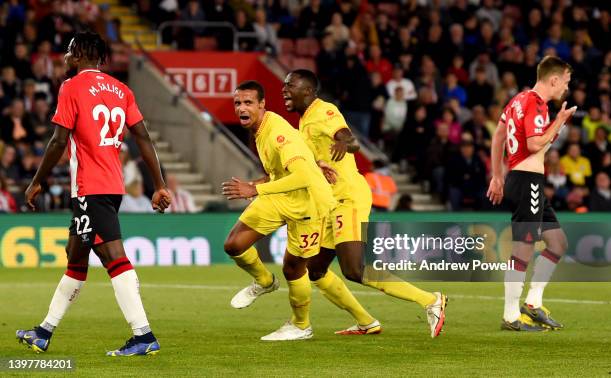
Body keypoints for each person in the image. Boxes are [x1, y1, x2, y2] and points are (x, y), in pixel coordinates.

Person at [16, 32, 171, 356]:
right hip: (110, 186)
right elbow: (143, 138)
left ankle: (143, 335)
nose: (65, 56)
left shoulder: (71, 86)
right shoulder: (122, 90)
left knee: (114, 257)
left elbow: (59, 141)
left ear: (79, 53)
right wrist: (159, 184)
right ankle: (43, 333)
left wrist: (36, 181)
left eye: (69, 50)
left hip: (90, 187)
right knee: (76, 257)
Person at [283, 69, 447, 338]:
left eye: (291, 85)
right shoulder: (303, 121)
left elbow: (349, 137)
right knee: (315, 269)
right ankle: (366, 322)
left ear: (309, 91)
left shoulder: (323, 110)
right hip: (328, 202)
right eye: (284, 85)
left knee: (354, 270)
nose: (284, 90)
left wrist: (344, 142)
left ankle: (431, 301)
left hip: (347, 198)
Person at [222, 80, 336, 341]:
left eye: (248, 102)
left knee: (293, 268)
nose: (242, 107)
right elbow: (288, 163)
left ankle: (301, 325)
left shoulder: (276, 133)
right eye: (238, 103)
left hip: (308, 204)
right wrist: (315, 160)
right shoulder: (260, 129)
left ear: (262, 105)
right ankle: (264, 281)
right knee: (234, 245)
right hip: (280, 194)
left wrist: (254, 189)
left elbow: (303, 177)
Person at [487, 56, 576, 331]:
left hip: (521, 179)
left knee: (558, 243)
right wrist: (558, 122)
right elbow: (535, 142)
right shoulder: (537, 104)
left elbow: (499, 135)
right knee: (523, 249)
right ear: (554, 79)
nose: (566, 88)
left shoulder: (518, 100)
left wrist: (498, 175)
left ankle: (533, 304)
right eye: (566, 82)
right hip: (528, 182)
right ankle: (510, 316)